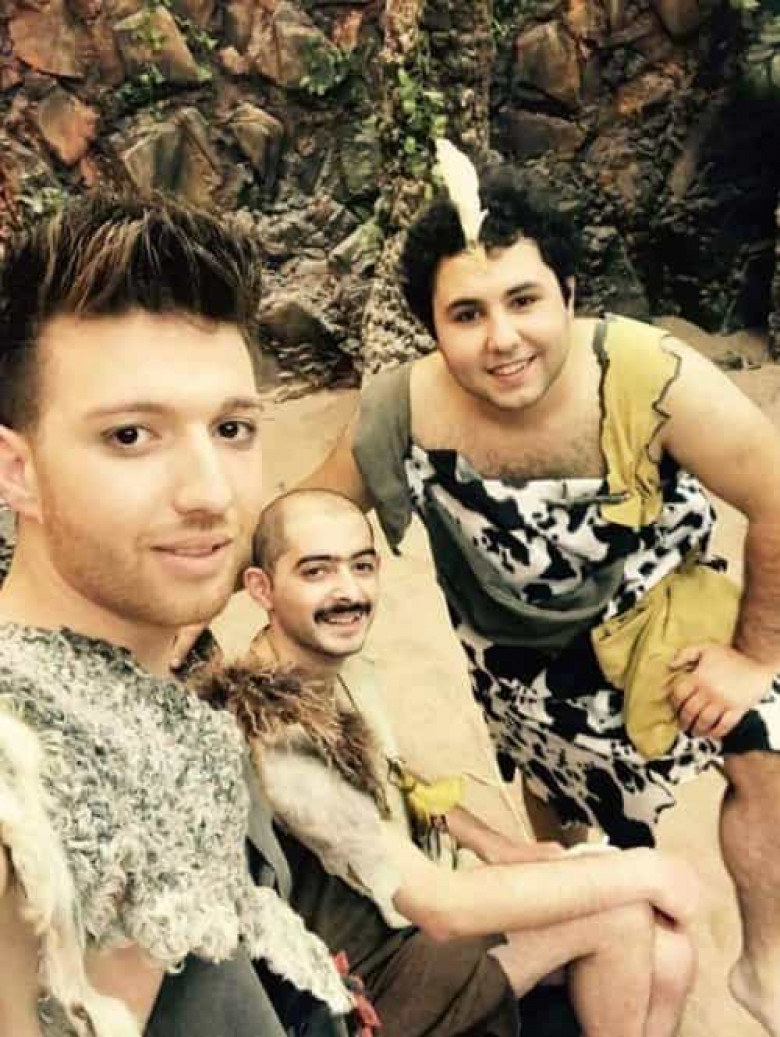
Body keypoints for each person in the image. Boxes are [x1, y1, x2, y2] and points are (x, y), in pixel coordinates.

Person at [302, 146, 780, 1035]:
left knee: (769, 740)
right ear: (432, 327)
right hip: (522, 675)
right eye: (467, 313)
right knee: (574, 863)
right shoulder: (404, 409)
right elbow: (309, 512)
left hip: (662, 627)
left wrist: (754, 658)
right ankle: (600, 981)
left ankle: (767, 962)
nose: (503, 338)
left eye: (524, 300)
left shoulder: (647, 372)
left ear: (568, 292)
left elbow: (775, 489)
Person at [0, 195, 353, 1037]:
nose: (209, 492)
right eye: (131, 436)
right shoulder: (20, 762)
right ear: (15, 471)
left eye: (232, 427)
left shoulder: (160, 705)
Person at [216, 485, 700, 1037]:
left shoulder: (322, 667)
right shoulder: (280, 739)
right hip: (360, 989)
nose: (348, 591)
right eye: (317, 571)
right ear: (262, 588)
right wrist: (641, 870)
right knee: (621, 915)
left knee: (670, 951)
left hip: (405, 934)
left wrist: (500, 848)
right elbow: (440, 907)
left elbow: (390, 775)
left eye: (361, 565)